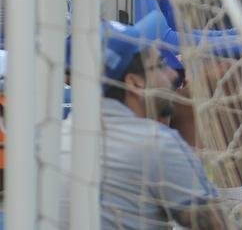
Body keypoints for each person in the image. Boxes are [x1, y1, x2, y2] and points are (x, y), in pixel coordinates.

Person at [60, 14, 231, 229]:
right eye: (159, 65)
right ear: (135, 83)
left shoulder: (58, 137)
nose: (171, 74)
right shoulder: (156, 143)